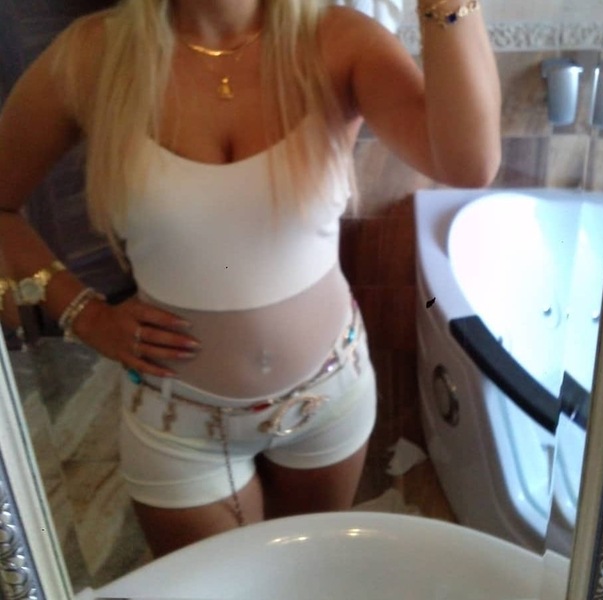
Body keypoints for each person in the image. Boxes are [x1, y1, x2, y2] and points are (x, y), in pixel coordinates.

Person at [0, 0, 501, 557]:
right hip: (178, 419)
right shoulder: (92, 55)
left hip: (329, 397)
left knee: (302, 578)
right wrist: (85, 315)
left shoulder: (340, 41)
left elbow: (468, 164)